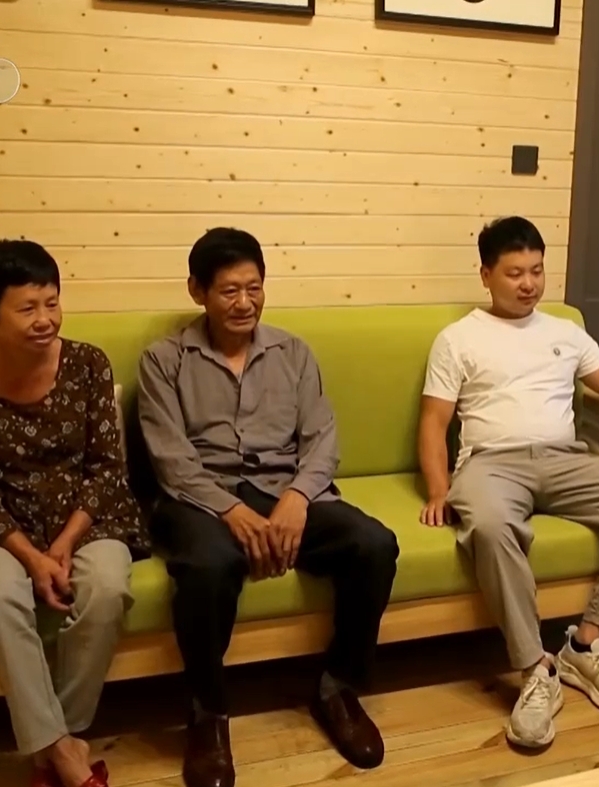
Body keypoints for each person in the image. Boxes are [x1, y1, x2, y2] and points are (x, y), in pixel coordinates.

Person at [417, 216, 599, 750]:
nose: (528, 284)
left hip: (565, 460)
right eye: (514, 273)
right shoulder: (458, 339)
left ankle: (587, 645)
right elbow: (434, 422)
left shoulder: (565, 333)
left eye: (537, 271)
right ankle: (536, 669)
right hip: (491, 464)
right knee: (490, 525)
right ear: (486, 275)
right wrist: (439, 489)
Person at [138, 227, 400, 787]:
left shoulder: (293, 352)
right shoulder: (164, 360)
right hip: (199, 497)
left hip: (283, 488)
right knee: (210, 565)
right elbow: (170, 459)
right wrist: (231, 512)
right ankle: (208, 713)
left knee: (373, 544)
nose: (244, 302)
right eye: (229, 290)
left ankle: (338, 686)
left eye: (254, 288)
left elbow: (322, 440)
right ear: (198, 291)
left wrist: (298, 499)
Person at [0, 240, 151, 787]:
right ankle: (65, 753)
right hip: (0, 528)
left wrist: (62, 544)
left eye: (52, 303)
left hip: (88, 518)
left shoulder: (88, 364)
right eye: (27, 308)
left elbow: (106, 468)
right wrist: (32, 557)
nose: (45, 320)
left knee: (106, 587)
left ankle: (57, 743)